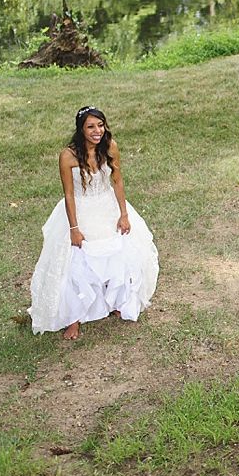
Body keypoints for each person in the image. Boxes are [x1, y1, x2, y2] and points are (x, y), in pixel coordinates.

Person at [28, 106, 159, 340]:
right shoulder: (67, 156)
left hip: (107, 206)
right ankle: (73, 318)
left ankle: (117, 301)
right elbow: (69, 194)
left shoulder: (110, 146)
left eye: (100, 125)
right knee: (77, 262)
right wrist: (74, 228)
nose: (97, 131)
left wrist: (124, 213)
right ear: (81, 129)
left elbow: (117, 181)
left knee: (118, 254)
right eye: (90, 126)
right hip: (81, 209)